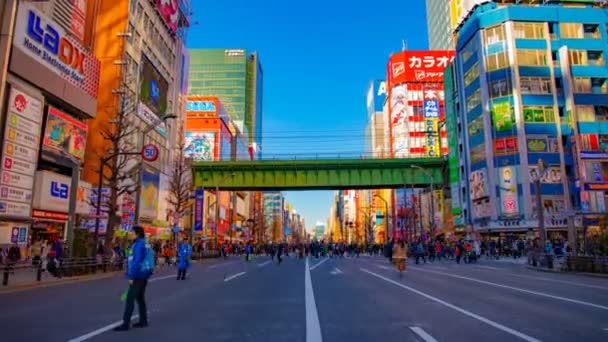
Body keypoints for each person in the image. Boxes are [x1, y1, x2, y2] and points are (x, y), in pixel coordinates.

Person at [114, 225, 152, 331]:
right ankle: (143, 321)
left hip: (138, 275)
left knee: (130, 298)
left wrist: (132, 276)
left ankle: (126, 323)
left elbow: (136, 261)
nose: (131, 234)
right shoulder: (144, 243)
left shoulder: (139, 245)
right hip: (144, 274)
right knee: (140, 298)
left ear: (137, 233)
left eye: (132, 232)